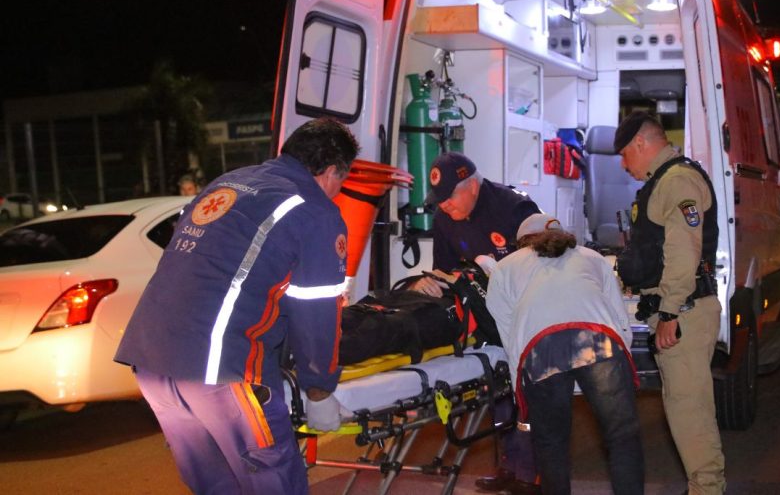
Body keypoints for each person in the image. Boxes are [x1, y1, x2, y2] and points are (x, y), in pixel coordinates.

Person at [114, 117, 359, 494]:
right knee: (274, 481)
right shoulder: (314, 212)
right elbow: (316, 313)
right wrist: (319, 390)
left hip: (152, 359)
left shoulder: (228, 182)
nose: (338, 192)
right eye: (342, 182)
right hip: (221, 368)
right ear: (331, 171)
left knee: (217, 486)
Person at [408, 151, 541, 494]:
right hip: (485, 318)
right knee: (498, 393)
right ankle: (510, 466)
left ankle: (534, 473)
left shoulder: (514, 208)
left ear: (471, 185)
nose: (445, 207)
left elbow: (545, 265)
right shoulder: (445, 218)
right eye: (440, 202)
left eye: (449, 198)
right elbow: (445, 270)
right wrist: (428, 282)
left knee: (529, 397)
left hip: (527, 313)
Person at [486, 213, 644, 495]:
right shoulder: (592, 257)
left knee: (551, 444)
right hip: (600, 342)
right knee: (622, 437)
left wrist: (519, 391)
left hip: (541, 349)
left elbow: (512, 340)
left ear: (522, 243)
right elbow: (621, 322)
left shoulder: (505, 267)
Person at [613, 111, 726, 494]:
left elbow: (683, 253)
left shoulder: (678, 181)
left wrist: (669, 313)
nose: (624, 166)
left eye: (625, 155)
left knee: (689, 410)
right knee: (682, 408)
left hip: (686, 311)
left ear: (641, 144)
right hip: (682, 308)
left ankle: (707, 489)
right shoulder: (663, 182)